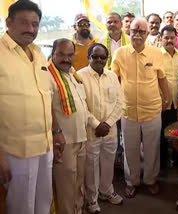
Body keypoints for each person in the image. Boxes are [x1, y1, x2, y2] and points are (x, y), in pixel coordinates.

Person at [0, 1, 65, 214]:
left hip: (44, 147)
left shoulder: (38, 54)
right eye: (24, 23)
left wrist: (56, 131)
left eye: (35, 24)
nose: (31, 29)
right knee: (21, 208)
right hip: (15, 151)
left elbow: (46, 97)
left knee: (43, 203)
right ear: (9, 22)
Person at [111, 17, 169, 198]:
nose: (137, 34)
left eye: (141, 31)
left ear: (147, 34)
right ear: (129, 32)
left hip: (152, 109)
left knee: (152, 148)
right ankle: (131, 182)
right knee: (130, 149)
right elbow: (114, 79)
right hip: (127, 110)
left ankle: (150, 180)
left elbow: (162, 78)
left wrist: (167, 98)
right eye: (134, 31)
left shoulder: (156, 53)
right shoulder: (120, 53)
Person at [78, 43, 124, 213]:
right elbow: (82, 106)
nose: (99, 60)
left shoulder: (112, 76)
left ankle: (107, 191)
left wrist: (108, 123)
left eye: (102, 57)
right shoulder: (80, 76)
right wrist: (97, 125)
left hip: (110, 131)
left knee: (108, 163)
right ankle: (92, 199)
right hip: (92, 131)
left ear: (106, 59)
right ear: (88, 57)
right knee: (91, 166)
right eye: (95, 56)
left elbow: (120, 102)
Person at [49, 38, 88, 214]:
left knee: (79, 182)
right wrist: (56, 132)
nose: (66, 59)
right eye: (61, 54)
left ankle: (77, 210)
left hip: (81, 137)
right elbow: (47, 108)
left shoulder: (74, 74)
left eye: (70, 55)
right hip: (64, 142)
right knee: (66, 187)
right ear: (52, 54)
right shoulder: (48, 76)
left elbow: (83, 106)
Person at [159, 25, 178, 172]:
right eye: (166, 37)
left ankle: (177, 160)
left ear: (176, 39)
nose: (169, 40)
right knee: (160, 135)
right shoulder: (155, 56)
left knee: (177, 132)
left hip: (177, 102)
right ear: (161, 39)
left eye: (172, 38)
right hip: (162, 103)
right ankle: (162, 163)